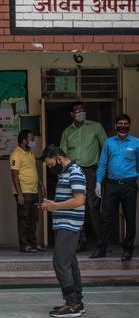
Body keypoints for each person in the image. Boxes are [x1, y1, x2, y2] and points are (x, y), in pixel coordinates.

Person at [40, 145, 86, 318]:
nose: (51, 167)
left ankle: (72, 304)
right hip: (64, 223)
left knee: (60, 263)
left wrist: (55, 206)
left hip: (69, 224)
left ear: (58, 157)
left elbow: (79, 200)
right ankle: (76, 301)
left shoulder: (74, 172)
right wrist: (52, 204)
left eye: (51, 164)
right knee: (70, 263)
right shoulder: (66, 172)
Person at [60, 101, 107, 251]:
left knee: (93, 207)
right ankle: (80, 242)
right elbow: (62, 155)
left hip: (92, 172)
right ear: (72, 114)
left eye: (82, 110)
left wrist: (103, 173)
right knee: (76, 206)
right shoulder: (67, 132)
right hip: (73, 172)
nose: (80, 112)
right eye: (77, 111)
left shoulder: (96, 127)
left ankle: (101, 242)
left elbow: (106, 149)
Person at [92, 114, 139, 261]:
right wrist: (98, 182)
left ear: (129, 126)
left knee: (129, 218)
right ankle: (101, 248)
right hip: (111, 185)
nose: (123, 126)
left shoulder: (136, 143)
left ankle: (128, 249)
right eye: (120, 123)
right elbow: (103, 163)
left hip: (129, 185)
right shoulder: (108, 142)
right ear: (115, 126)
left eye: (126, 123)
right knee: (106, 218)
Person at [10, 130, 46, 253]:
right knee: (24, 219)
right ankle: (24, 245)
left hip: (34, 190)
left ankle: (33, 244)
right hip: (24, 192)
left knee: (33, 219)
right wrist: (19, 194)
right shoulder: (16, 154)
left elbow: (33, 170)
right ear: (24, 140)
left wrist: (41, 184)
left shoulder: (29, 153)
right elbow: (14, 175)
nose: (33, 142)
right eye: (31, 139)